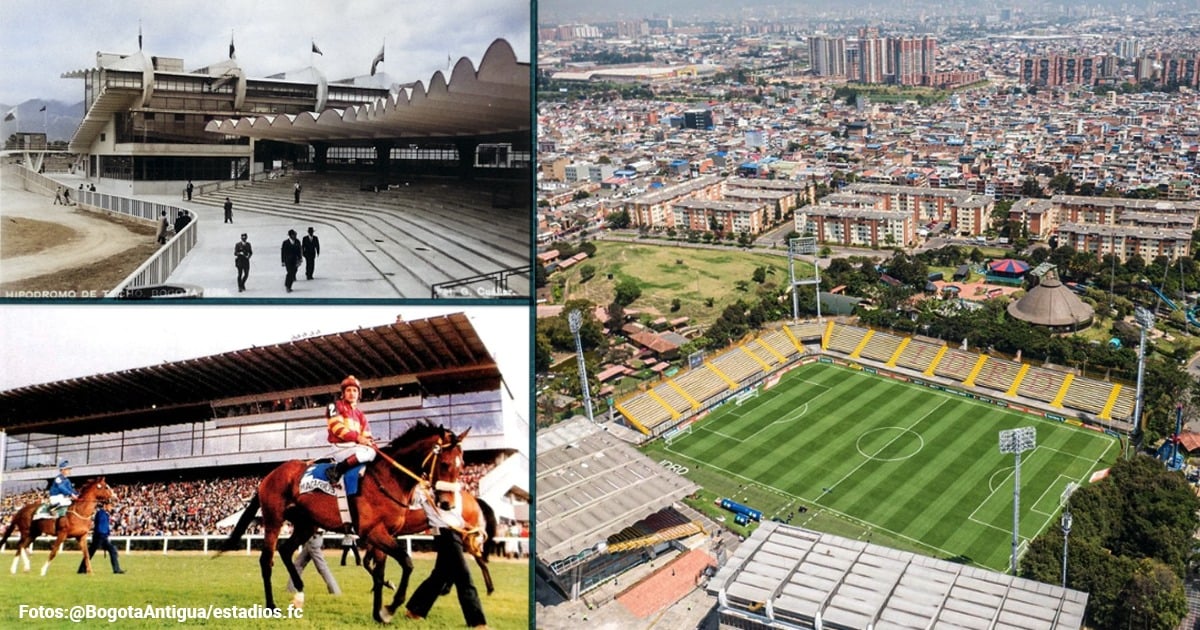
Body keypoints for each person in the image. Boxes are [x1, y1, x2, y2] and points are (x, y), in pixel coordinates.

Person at [405, 527, 487, 629]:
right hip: (448, 533)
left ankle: (414, 610)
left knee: (440, 575)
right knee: (463, 577)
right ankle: (478, 623)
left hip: (448, 533)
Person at [326, 375, 375, 533]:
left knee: (374, 453)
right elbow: (337, 429)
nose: (352, 393)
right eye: (348, 390)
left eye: (355, 390)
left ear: (359, 394)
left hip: (356, 448)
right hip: (340, 446)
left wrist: (369, 442)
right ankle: (338, 469)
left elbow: (367, 436)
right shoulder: (334, 406)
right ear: (343, 393)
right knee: (370, 452)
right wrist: (359, 438)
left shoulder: (361, 415)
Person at [77, 500, 124, 574]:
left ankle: (116, 569)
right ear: (105, 506)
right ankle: (82, 569)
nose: (111, 508)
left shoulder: (105, 514)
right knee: (91, 552)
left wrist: (107, 533)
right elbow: (99, 526)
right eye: (110, 506)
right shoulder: (100, 513)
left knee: (112, 550)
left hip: (103, 536)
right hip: (99, 536)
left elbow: (105, 526)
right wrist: (100, 534)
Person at [286, 530, 340, 595]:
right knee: (297, 565)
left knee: (322, 568)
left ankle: (335, 591)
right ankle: (291, 589)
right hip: (312, 539)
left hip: (313, 540)